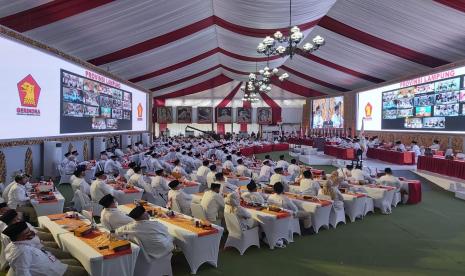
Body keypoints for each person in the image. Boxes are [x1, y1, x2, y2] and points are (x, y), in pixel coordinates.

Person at [3, 222, 87, 276]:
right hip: (54, 272)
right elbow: (23, 273)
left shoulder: (13, 244)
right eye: (27, 232)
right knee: (84, 271)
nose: (31, 233)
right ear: (20, 237)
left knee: (76, 260)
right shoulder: (22, 252)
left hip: (52, 263)